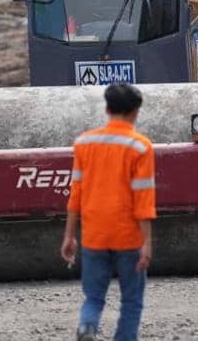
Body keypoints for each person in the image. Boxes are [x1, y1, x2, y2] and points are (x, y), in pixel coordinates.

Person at [61, 83, 156, 341]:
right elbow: (143, 200)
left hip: (94, 236)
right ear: (135, 113)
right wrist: (146, 242)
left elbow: (75, 196)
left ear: (106, 108)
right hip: (129, 237)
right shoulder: (140, 147)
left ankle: (87, 327)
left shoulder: (84, 143)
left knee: (93, 297)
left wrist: (69, 236)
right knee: (132, 301)